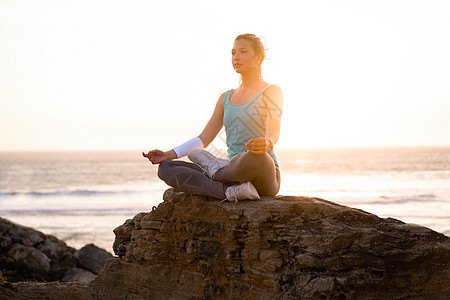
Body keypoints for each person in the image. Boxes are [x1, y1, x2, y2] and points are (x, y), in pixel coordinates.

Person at [143, 33, 283, 202]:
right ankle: (229, 191)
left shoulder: (271, 91)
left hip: (262, 172)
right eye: (233, 53)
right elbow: (204, 138)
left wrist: (266, 143)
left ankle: (216, 172)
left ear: (258, 57)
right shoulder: (225, 98)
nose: (236, 57)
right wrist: (167, 154)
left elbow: (274, 130)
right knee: (166, 168)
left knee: (253, 157)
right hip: (232, 172)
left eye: (243, 52)